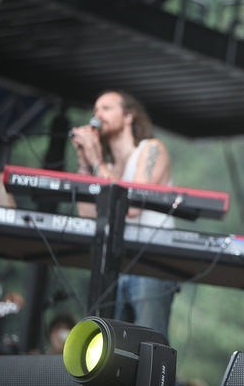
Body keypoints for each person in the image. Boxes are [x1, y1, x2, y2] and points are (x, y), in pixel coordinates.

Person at [69, 90, 177, 338]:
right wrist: (85, 162)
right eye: (95, 110)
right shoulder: (105, 167)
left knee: (150, 345)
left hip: (151, 263)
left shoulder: (151, 150)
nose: (98, 115)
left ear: (129, 116)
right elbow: (87, 214)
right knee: (110, 349)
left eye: (106, 108)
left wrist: (97, 161)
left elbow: (132, 205)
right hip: (115, 263)